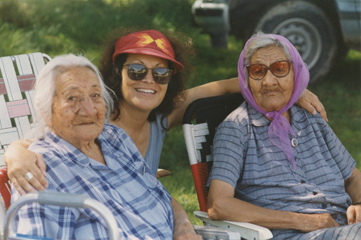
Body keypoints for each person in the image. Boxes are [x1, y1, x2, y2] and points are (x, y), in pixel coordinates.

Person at [5, 28, 325, 238]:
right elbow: (48, 142)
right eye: (137, 71)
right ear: (117, 76)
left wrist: (289, 90)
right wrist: (13, 152)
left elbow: (217, 88)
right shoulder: (95, 126)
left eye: (161, 73)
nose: (150, 81)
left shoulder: (154, 120)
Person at [207, 33, 361, 240]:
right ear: (247, 79)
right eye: (257, 71)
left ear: (295, 74)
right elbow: (219, 205)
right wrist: (302, 220)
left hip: (345, 229)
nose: (269, 81)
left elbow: (352, 177)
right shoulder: (236, 128)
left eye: (279, 69)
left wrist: (359, 203)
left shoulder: (309, 116)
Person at [11, 54, 178, 239]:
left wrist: (184, 227)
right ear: (45, 110)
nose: (89, 110)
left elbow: (161, 196)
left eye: (95, 95)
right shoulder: (40, 171)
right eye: (73, 98)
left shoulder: (115, 138)